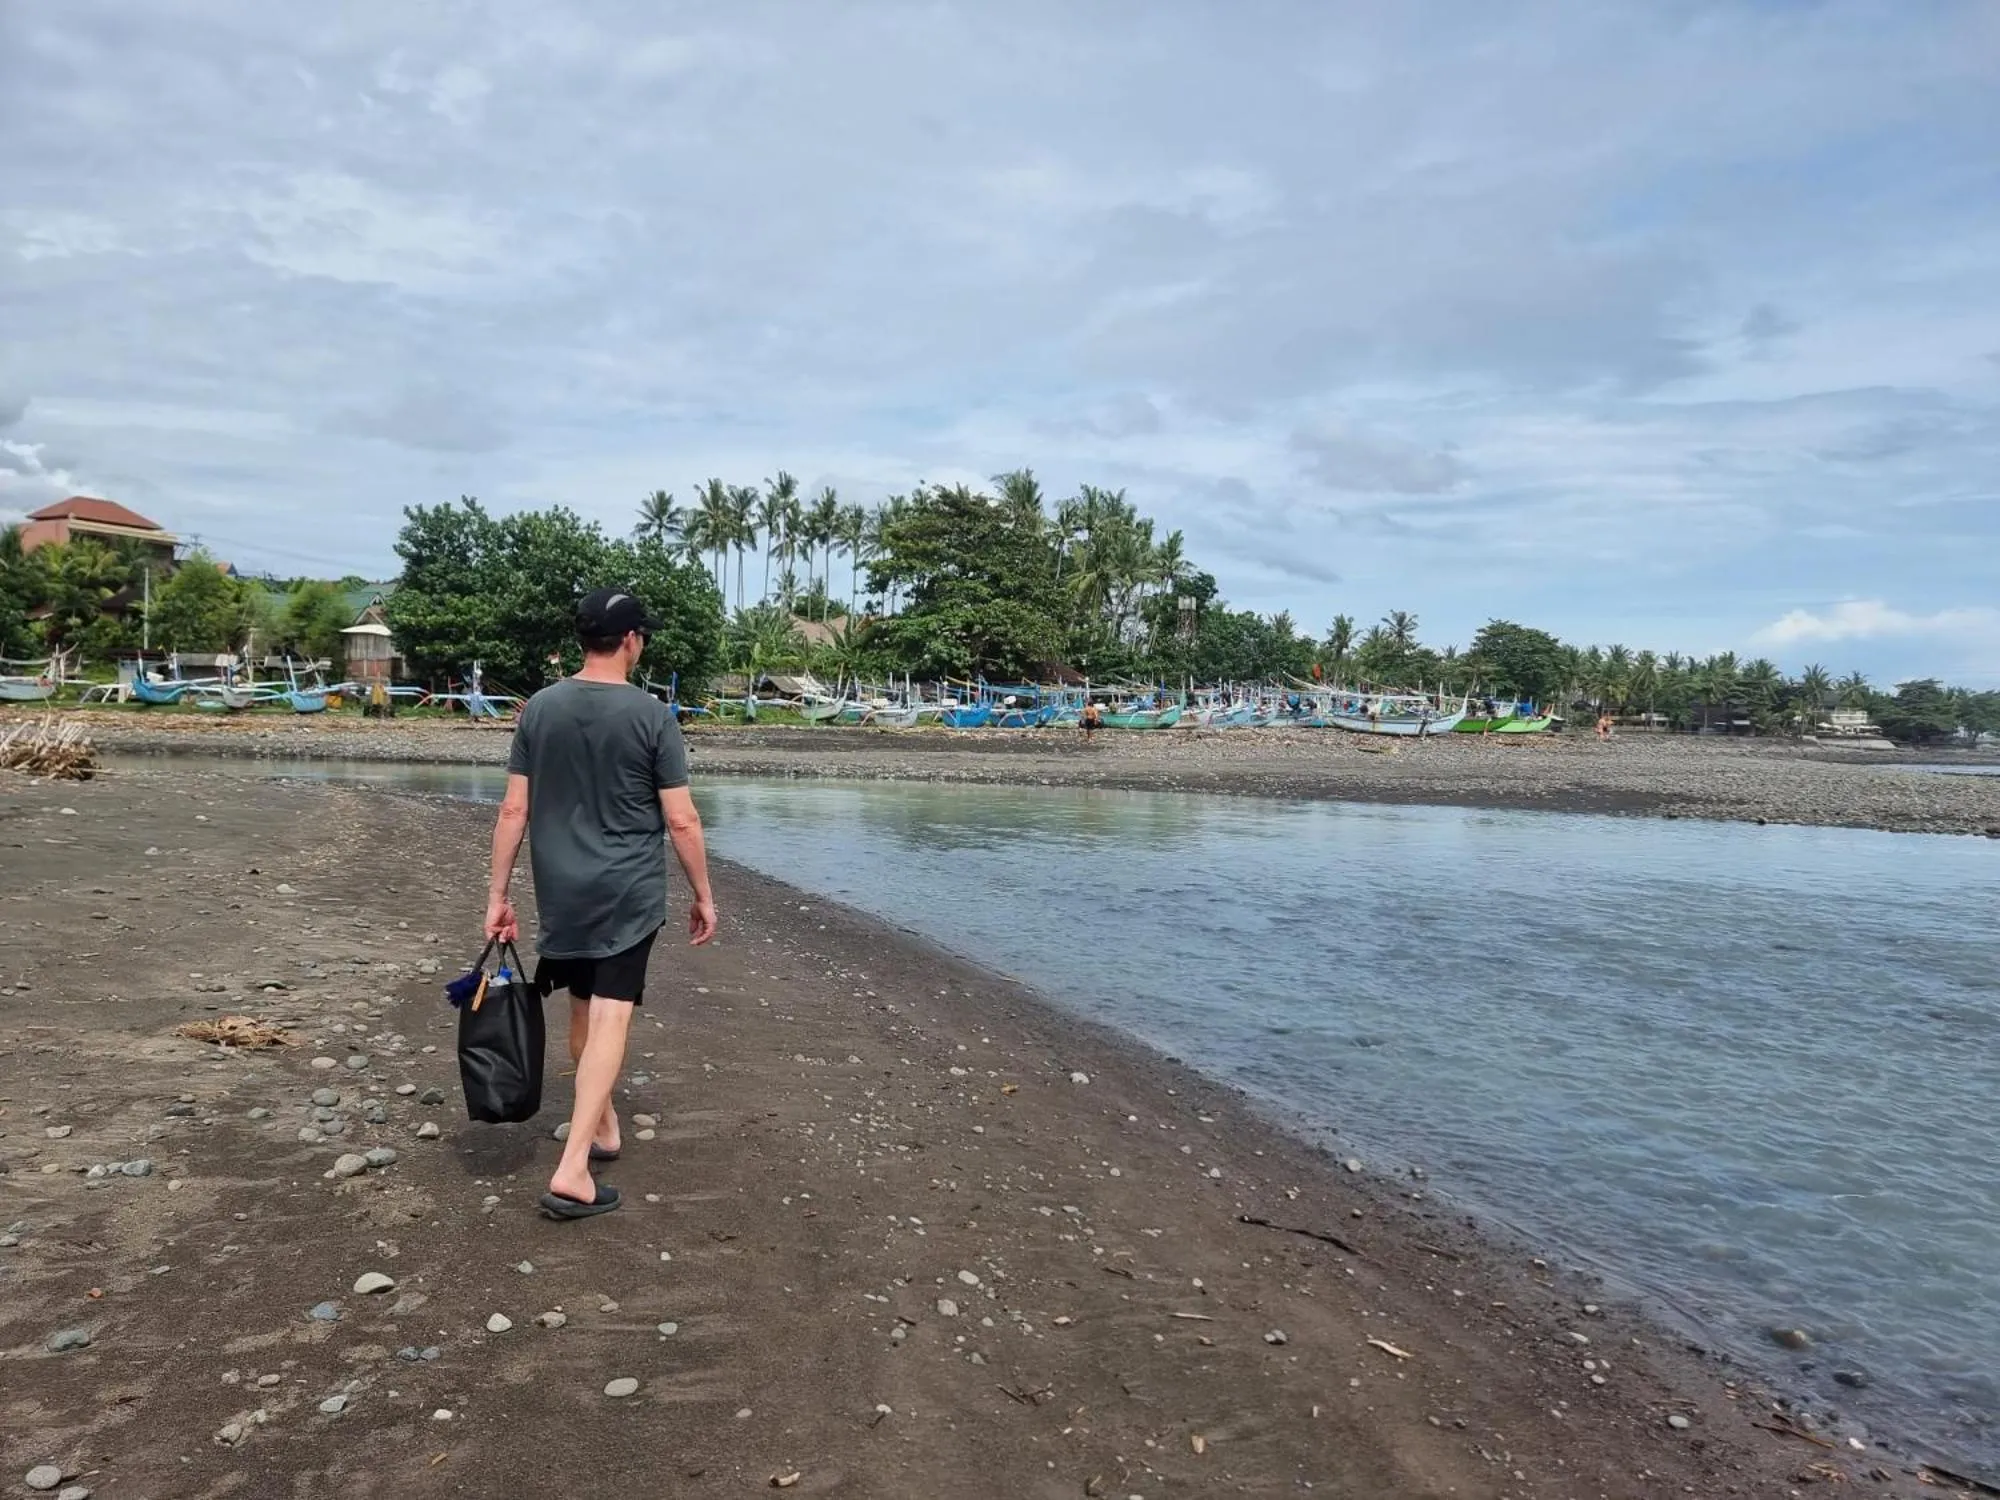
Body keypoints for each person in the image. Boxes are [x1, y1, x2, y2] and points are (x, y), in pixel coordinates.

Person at [485, 587, 718, 1221]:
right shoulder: (652, 715)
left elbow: (513, 809)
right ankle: (573, 1169)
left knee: (584, 1010)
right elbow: (682, 820)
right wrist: (702, 894)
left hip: (560, 886)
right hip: (625, 890)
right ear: (632, 640)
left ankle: (604, 1129)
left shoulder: (539, 710)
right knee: (613, 1016)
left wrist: (498, 894)